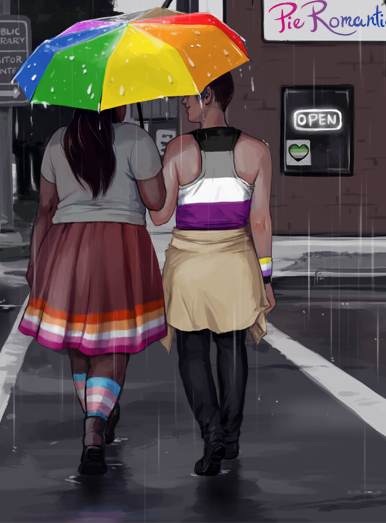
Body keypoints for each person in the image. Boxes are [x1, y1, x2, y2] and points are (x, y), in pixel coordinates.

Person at [19, 104, 166, 476]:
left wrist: (35, 263)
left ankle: (95, 417)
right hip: (121, 246)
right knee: (112, 341)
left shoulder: (58, 142)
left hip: (66, 247)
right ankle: (96, 427)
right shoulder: (136, 139)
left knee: (80, 342)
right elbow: (156, 201)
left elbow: (45, 210)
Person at [148, 71, 276, 477]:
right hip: (235, 262)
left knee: (192, 351)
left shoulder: (177, 150)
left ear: (207, 96)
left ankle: (211, 433)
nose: (183, 106)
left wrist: (149, 182)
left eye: (188, 98)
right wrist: (266, 277)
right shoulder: (257, 152)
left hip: (189, 264)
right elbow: (260, 223)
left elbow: (161, 216)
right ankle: (232, 435)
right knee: (231, 346)